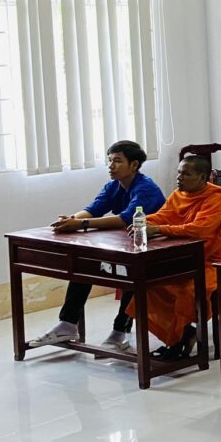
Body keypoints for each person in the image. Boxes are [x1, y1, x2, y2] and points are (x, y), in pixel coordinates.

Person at [32, 140, 168, 350]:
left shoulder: (146, 188)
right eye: (110, 161)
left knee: (134, 275)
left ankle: (119, 333)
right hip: (126, 244)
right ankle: (68, 324)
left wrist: (81, 224)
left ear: (134, 165)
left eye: (117, 161)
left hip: (154, 248)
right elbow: (94, 208)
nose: (111, 166)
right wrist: (71, 220)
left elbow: (124, 219)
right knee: (83, 266)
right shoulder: (114, 185)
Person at [124, 153, 221, 360]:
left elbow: (201, 229)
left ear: (202, 177)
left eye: (186, 174)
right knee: (151, 286)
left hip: (216, 260)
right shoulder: (179, 194)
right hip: (185, 258)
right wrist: (143, 221)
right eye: (179, 173)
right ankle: (184, 334)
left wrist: (159, 229)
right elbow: (164, 215)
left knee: (185, 290)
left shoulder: (217, 197)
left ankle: (178, 341)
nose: (179, 178)